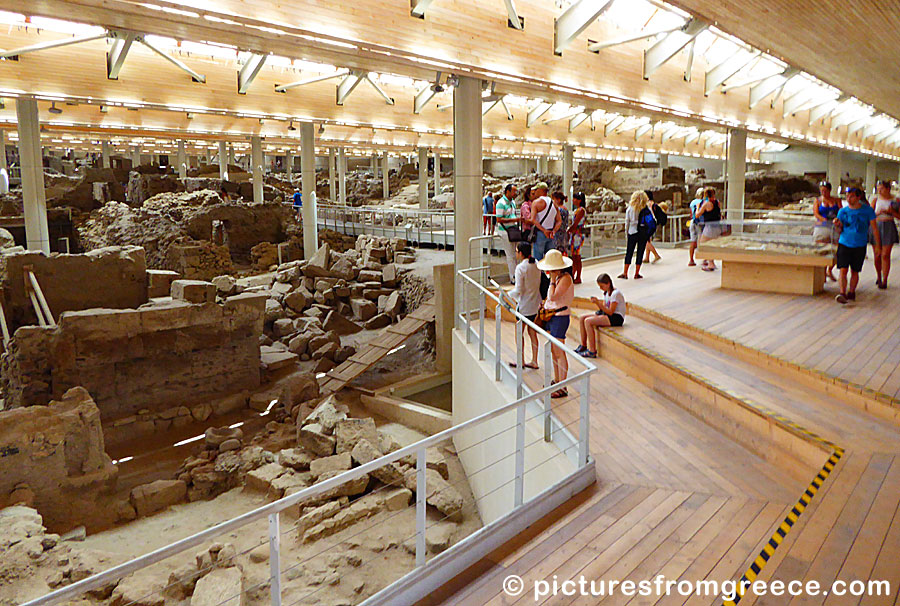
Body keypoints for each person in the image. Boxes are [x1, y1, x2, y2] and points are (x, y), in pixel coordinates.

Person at [536, 250, 574, 398]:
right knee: (554, 351)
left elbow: (553, 295)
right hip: (552, 316)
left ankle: (562, 386)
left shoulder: (564, 279)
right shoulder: (558, 278)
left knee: (559, 351)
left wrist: (551, 280)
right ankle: (557, 380)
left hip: (560, 317)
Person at [834, 187, 879, 304]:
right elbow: (839, 230)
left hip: (860, 244)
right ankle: (842, 292)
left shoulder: (868, 210)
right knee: (843, 270)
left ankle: (852, 292)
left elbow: (874, 228)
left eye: (852, 196)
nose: (849, 199)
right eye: (847, 196)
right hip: (844, 243)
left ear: (859, 197)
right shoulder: (842, 211)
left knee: (855, 270)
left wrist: (877, 245)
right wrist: (838, 225)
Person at [505, 241, 542, 370]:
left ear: (520, 253)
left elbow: (518, 290)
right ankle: (534, 360)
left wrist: (506, 294)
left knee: (519, 333)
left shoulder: (521, 268)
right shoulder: (536, 263)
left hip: (525, 305)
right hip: (535, 303)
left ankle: (521, 360)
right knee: (533, 333)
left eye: (516, 251)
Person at [575, 273, 625, 358]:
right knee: (582, 318)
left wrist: (598, 302)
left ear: (608, 284)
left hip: (616, 317)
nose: (601, 288)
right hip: (608, 315)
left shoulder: (615, 294)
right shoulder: (606, 293)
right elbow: (604, 309)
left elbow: (610, 312)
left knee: (588, 321)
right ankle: (583, 345)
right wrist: (597, 303)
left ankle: (592, 350)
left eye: (602, 286)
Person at [870, 180, 900, 289]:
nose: (879, 191)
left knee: (885, 255)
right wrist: (877, 213)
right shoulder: (875, 200)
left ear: (888, 189)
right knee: (877, 255)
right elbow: (869, 215)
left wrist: (891, 212)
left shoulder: (895, 200)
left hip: (889, 226)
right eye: (878, 189)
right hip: (877, 226)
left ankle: (885, 279)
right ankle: (878, 275)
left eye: (881, 189)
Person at [619, 190, 652, 279]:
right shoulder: (645, 208)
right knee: (640, 253)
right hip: (643, 233)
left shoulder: (630, 208)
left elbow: (627, 222)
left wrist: (626, 233)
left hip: (632, 232)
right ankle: (636, 273)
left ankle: (625, 273)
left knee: (629, 252)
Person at [813, 181, 841, 281]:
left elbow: (841, 212)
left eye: (825, 191)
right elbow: (816, 213)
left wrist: (837, 220)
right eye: (821, 191)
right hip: (822, 226)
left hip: (834, 226)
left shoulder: (837, 200)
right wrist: (823, 219)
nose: (823, 193)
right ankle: (823, 272)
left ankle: (830, 269)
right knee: (822, 249)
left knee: (836, 249)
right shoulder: (818, 200)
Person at [495, 184, 520, 283]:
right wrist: (515, 219)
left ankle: (516, 276)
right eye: (514, 191)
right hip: (505, 231)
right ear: (508, 191)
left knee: (514, 254)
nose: (515, 193)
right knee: (510, 255)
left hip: (513, 230)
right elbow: (499, 219)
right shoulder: (501, 203)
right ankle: (513, 277)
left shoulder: (513, 202)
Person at [529, 182, 561, 261]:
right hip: (551, 234)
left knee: (538, 259)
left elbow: (532, 219)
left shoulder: (536, 203)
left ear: (541, 190)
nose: (534, 192)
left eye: (536, 190)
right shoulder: (554, 203)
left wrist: (544, 230)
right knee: (550, 260)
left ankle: (539, 274)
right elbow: (559, 221)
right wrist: (553, 231)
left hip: (540, 233)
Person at [696, 187, 722, 271]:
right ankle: (710, 261)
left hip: (710, 227)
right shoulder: (717, 202)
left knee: (703, 244)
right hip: (718, 226)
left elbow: (697, 215)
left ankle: (711, 263)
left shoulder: (706, 204)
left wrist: (697, 208)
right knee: (712, 244)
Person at [568, 192, 587, 284]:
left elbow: (575, 224)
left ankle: (578, 276)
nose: (573, 200)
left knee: (576, 256)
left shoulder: (581, 210)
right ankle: (574, 274)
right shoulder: (578, 210)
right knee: (574, 256)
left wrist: (568, 231)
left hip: (577, 235)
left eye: (575, 199)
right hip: (575, 234)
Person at [642, 190, 664, 264]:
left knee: (645, 240)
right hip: (653, 223)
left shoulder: (647, 204)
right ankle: (647, 257)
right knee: (648, 240)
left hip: (648, 223)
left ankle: (656, 255)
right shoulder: (653, 203)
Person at [688, 187, 705, 267]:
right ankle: (705, 259)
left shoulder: (692, 202)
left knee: (693, 240)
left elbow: (691, 214)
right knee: (702, 240)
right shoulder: (703, 202)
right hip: (701, 222)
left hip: (693, 221)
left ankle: (691, 260)